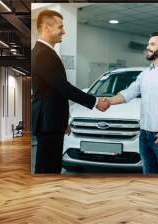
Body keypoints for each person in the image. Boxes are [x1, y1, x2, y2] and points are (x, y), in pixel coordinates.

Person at [32, 10, 110, 173]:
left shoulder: (44, 52)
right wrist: (95, 102)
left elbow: (53, 92)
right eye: (60, 27)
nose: (64, 31)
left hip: (51, 121)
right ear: (46, 28)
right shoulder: (43, 54)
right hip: (48, 123)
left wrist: (62, 120)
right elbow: (64, 87)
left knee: (50, 164)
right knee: (48, 167)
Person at [104, 32, 158, 174]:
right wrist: (108, 101)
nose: (148, 47)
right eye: (148, 44)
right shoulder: (145, 73)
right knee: (148, 175)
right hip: (144, 135)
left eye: (152, 44)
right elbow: (129, 93)